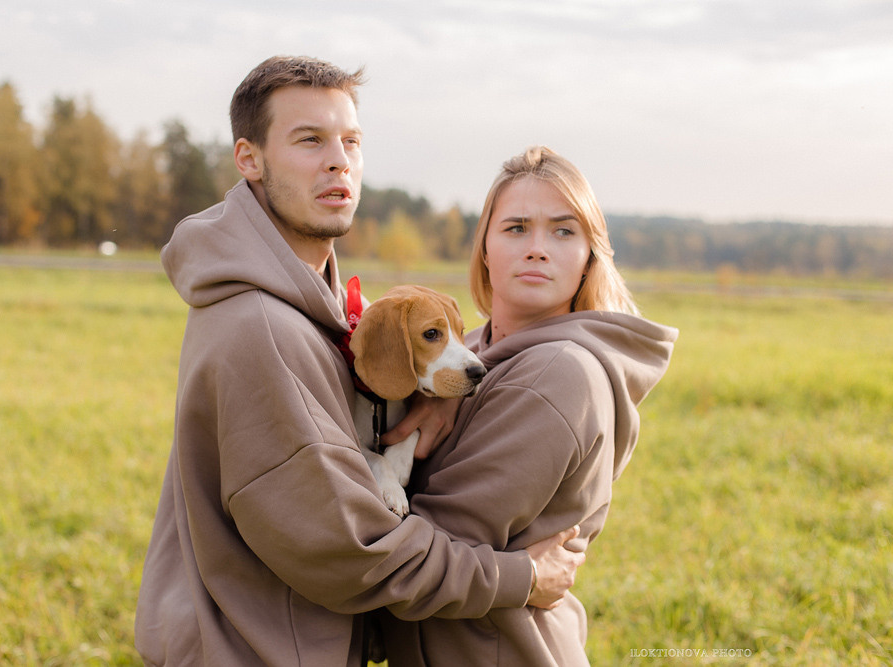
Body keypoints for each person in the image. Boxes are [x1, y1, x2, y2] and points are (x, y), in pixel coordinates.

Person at [135, 57, 584, 666]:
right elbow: (355, 552)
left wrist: (438, 391)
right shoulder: (264, 329)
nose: (338, 160)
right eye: (309, 140)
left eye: (351, 141)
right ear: (249, 159)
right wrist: (520, 579)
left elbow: (396, 355)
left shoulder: (309, 306)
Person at [378, 146, 678, 665]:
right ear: (486, 249)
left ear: (589, 257)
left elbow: (414, 564)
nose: (537, 248)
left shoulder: (555, 374)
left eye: (564, 231)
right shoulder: (469, 353)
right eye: (516, 228)